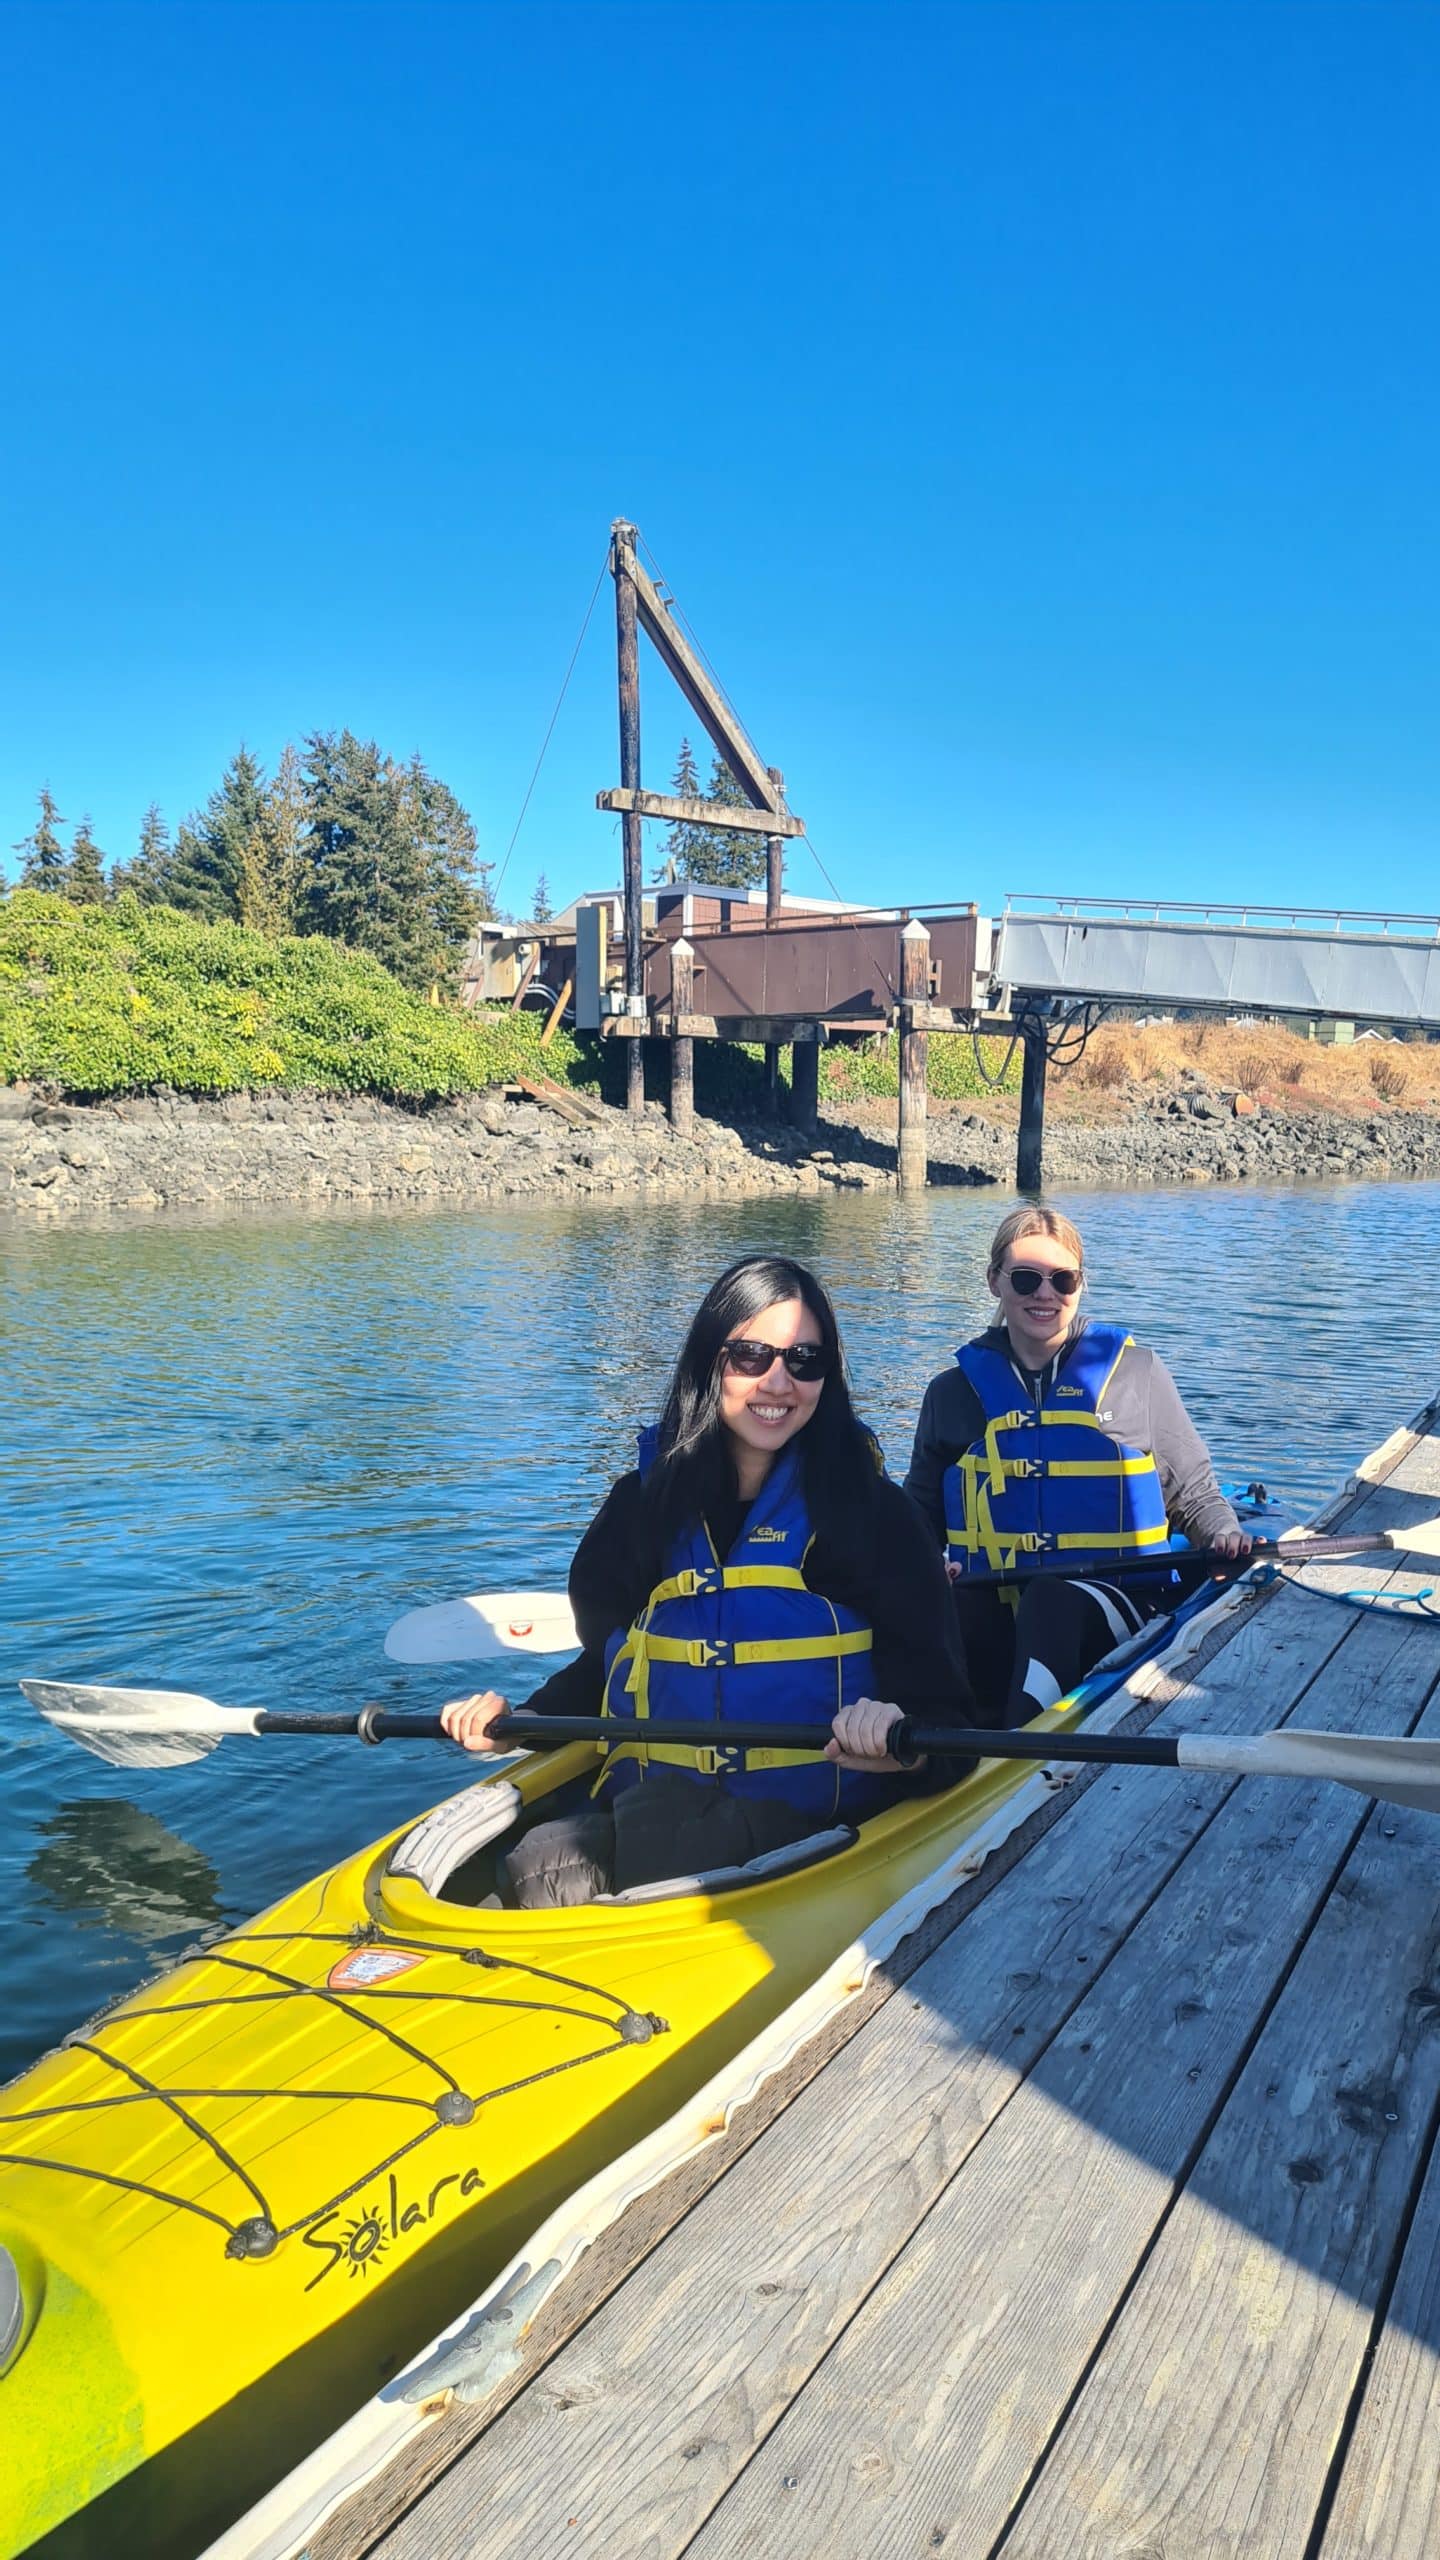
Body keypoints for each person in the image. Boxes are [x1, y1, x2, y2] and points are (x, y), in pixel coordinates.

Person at [442, 1252, 982, 1906]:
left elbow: (948, 1722)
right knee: (535, 1862)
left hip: (817, 1841)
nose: (779, 1382)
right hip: (660, 1815)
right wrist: (522, 1719)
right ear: (709, 1360)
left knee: (546, 1869)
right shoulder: (641, 1509)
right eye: (752, 1356)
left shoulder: (876, 1518)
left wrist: (902, 1741)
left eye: (805, 1361)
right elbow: (616, 1663)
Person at [904, 1206, 1251, 1728]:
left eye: (1062, 1279)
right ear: (995, 1281)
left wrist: (1223, 1534)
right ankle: (932, 1751)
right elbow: (918, 1518)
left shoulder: (1137, 1373)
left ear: (1079, 1286)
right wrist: (923, 1566)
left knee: (1050, 1602)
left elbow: (1194, 1491)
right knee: (951, 1609)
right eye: (1026, 1279)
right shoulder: (950, 1393)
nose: (1044, 1294)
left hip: (1121, 1597)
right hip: (996, 1595)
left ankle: (1016, 1750)